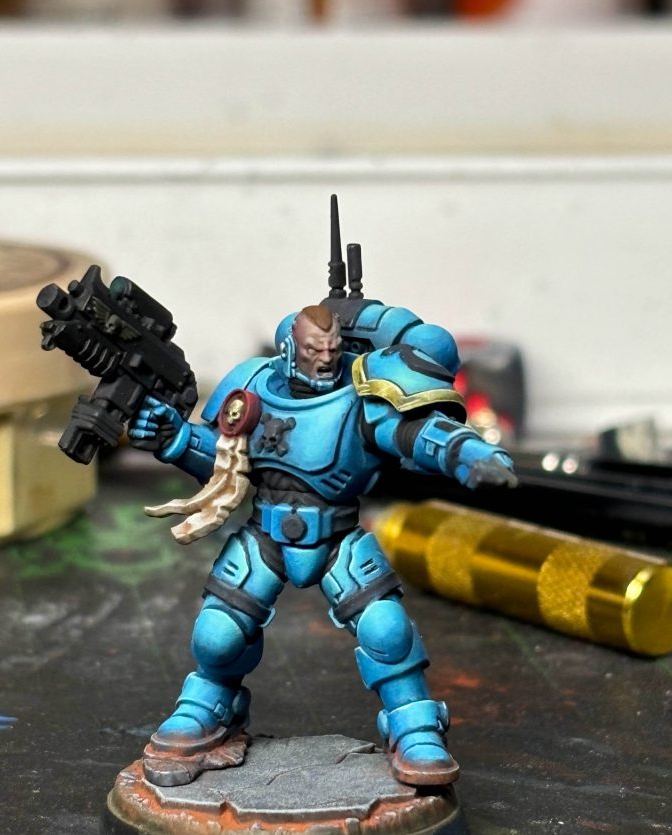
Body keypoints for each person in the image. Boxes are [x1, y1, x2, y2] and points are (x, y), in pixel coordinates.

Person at [129, 301, 516, 789]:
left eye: (333, 349)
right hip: (266, 531)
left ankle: (415, 725)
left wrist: (469, 453)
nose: (326, 359)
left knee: (386, 628)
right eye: (315, 350)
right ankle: (208, 707)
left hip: (336, 534)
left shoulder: (364, 394)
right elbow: (223, 458)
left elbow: (414, 432)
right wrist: (175, 438)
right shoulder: (254, 385)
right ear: (290, 349)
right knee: (216, 635)